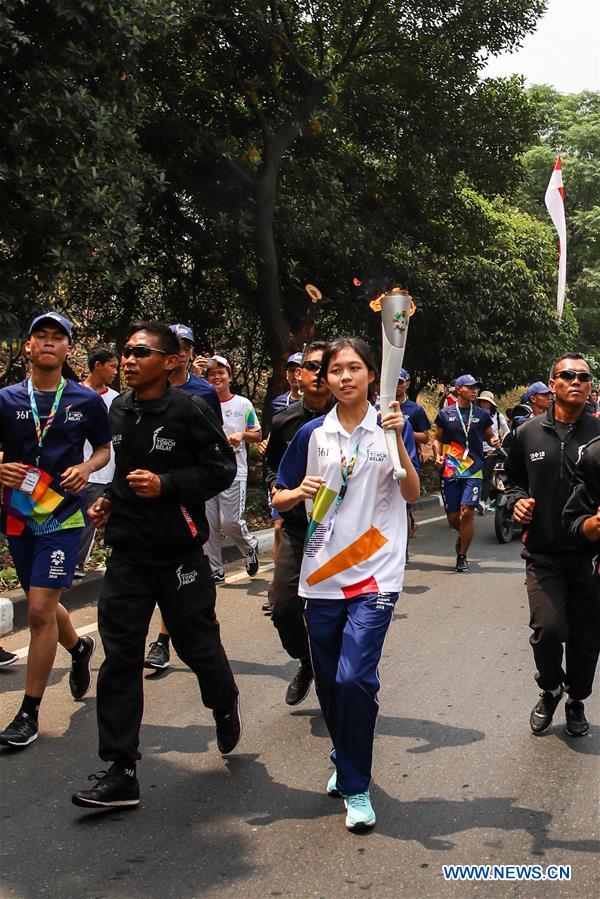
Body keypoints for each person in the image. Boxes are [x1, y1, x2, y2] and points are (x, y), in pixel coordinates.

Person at [72, 321, 240, 810]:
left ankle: (223, 701)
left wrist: (167, 485)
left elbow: (220, 469)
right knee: (120, 658)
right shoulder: (119, 409)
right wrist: (111, 505)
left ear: (170, 361)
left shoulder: (189, 408)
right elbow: (124, 474)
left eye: (140, 352)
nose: (128, 359)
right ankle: (121, 770)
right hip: (128, 555)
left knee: (195, 644)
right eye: (125, 351)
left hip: (179, 554)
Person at [273, 337, 419, 832]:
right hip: (323, 574)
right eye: (335, 370)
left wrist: (398, 438)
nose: (344, 377)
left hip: (376, 569)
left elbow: (412, 491)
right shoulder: (311, 435)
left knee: (356, 678)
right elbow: (278, 496)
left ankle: (356, 785)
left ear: (372, 375)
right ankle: (346, 752)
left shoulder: (392, 427)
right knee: (333, 683)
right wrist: (298, 491)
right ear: (325, 379)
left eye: (354, 368)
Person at [0, 312, 111, 748]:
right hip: (18, 512)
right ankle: (79, 647)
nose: (48, 343)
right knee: (40, 602)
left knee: (40, 611)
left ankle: (28, 713)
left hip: (62, 516)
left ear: (68, 350)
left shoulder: (85, 401)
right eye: (40, 337)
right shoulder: (7, 398)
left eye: (57, 338)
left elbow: (103, 449)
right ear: (28, 347)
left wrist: (86, 467)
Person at [505, 353, 600, 738]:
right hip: (543, 552)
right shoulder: (527, 433)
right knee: (549, 629)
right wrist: (516, 501)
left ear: (590, 386)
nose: (576, 381)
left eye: (584, 376)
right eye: (567, 375)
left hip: (591, 556)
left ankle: (576, 699)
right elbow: (510, 480)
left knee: (586, 636)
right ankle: (550, 687)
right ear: (552, 383)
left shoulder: (598, 435)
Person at [143, 323, 221, 670]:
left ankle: (164, 640)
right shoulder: (141, 390)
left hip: (183, 496)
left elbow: (216, 455)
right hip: (143, 496)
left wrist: (183, 483)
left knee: (178, 568)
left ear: (188, 354)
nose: (181, 352)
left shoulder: (203, 393)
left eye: (186, 346)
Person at [263, 341, 330, 703]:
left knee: (330, 611)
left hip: (340, 535)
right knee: (284, 606)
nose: (317, 375)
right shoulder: (284, 419)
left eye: (325, 367)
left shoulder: (351, 418)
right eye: (310, 367)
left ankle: (336, 674)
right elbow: (272, 464)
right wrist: (280, 488)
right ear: (298, 374)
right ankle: (308, 661)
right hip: (296, 528)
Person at [432, 374, 499, 572]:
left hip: (473, 468)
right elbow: (437, 439)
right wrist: (437, 455)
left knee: (467, 511)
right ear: (459, 389)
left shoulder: (481, 414)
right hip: (451, 468)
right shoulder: (445, 414)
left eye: (475, 387)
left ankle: (462, 556)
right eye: (469, 387)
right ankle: (463, 534)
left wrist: (495, 441)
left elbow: (491, 437)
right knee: (454, 518)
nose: (474, 390)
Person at [204, 356, 262, 582]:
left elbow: (257, 435)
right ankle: (216, 569)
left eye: (221, 373)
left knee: (230, 522)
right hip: (207, 472)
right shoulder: (201, 402)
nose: (216, 377)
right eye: (211, 374)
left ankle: (249, 547)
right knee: (208, 524)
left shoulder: (243, 404)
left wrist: (241, 436)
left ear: (229, 376)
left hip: (233, 471)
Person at [77, 345, 120, 574]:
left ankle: (77, 563)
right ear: (97, 366)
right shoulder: (72, 394)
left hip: (103, 472)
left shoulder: (117, 400)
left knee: (89, 519)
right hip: (73, 469)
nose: (116, 371)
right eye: (112, 366)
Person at [477, 390, 509, 510]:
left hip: (491, 450)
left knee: (486, 476)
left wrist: (498, 446)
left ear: (491, 403)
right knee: (477, 476)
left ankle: (482, 502)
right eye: (482, 402)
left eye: (486, 402)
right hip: (476, 450)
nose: (484, 404)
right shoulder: (474, 415)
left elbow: (507, 431)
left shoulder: (497, 416)